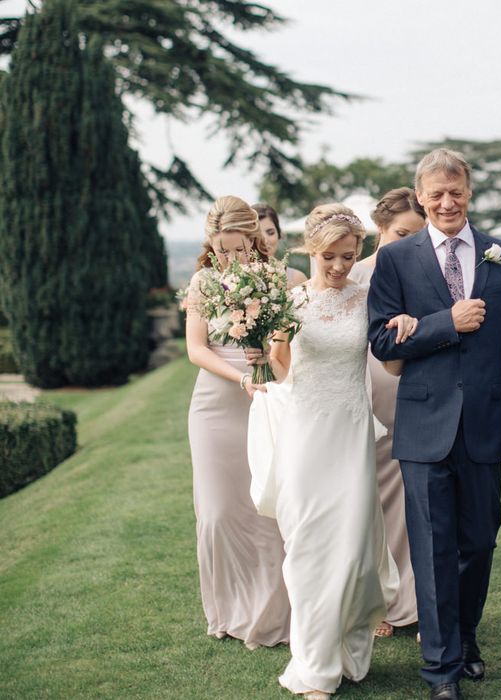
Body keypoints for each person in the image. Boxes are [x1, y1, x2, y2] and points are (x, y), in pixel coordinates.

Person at [367, 149, 501, 700]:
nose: (446, 202)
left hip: (488, 426)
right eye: (435, 194)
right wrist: (448, 322)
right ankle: (441, 671)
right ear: (419, 196)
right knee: (434, 549)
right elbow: (382, 341)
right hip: (422, 426)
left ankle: (466, 640)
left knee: (479, 542)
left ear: (469, 192)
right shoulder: (396, 261)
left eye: (456, 192)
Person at [250, 203, 407, 699]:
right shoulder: (290, 303)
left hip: (351, 432)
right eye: (329, 258)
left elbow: (388, 345)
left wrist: (405, 322)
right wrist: (258, 349)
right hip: (305, 434)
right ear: (312, 252)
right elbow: (281, 370)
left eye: (348, 255)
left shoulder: (369, 297)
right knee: (310, 548)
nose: (339, 266)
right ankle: (315, 666)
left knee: (355, 550)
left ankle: (349, 645)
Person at [185, 195, 290, 650]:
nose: (231, 257)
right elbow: (197, 349)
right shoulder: (202, 281)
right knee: (217, 514)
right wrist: (240, 375)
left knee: (265, 510)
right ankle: (227, 611)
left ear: (254, 238)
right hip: (215, 405)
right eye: (222, 248)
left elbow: (285, 343)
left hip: (265, 399)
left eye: (239, 247)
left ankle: (272, 614)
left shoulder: (276, 280)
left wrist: (266, 357)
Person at [348, 187, 426, 638]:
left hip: (407, 395)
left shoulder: (421, 276)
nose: (407, 242)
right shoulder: (354, 275)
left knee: (407, 504)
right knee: (368, 503)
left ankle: (409, 604)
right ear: (380, 228)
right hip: (361, 396)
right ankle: (375, 601)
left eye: (417, 235)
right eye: (400, 233)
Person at [252, 202, 308, 287]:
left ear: (279, 234)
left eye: (270, 233)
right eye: (258, 234)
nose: (264, 240)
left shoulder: (298, 278)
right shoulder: (237, 280)